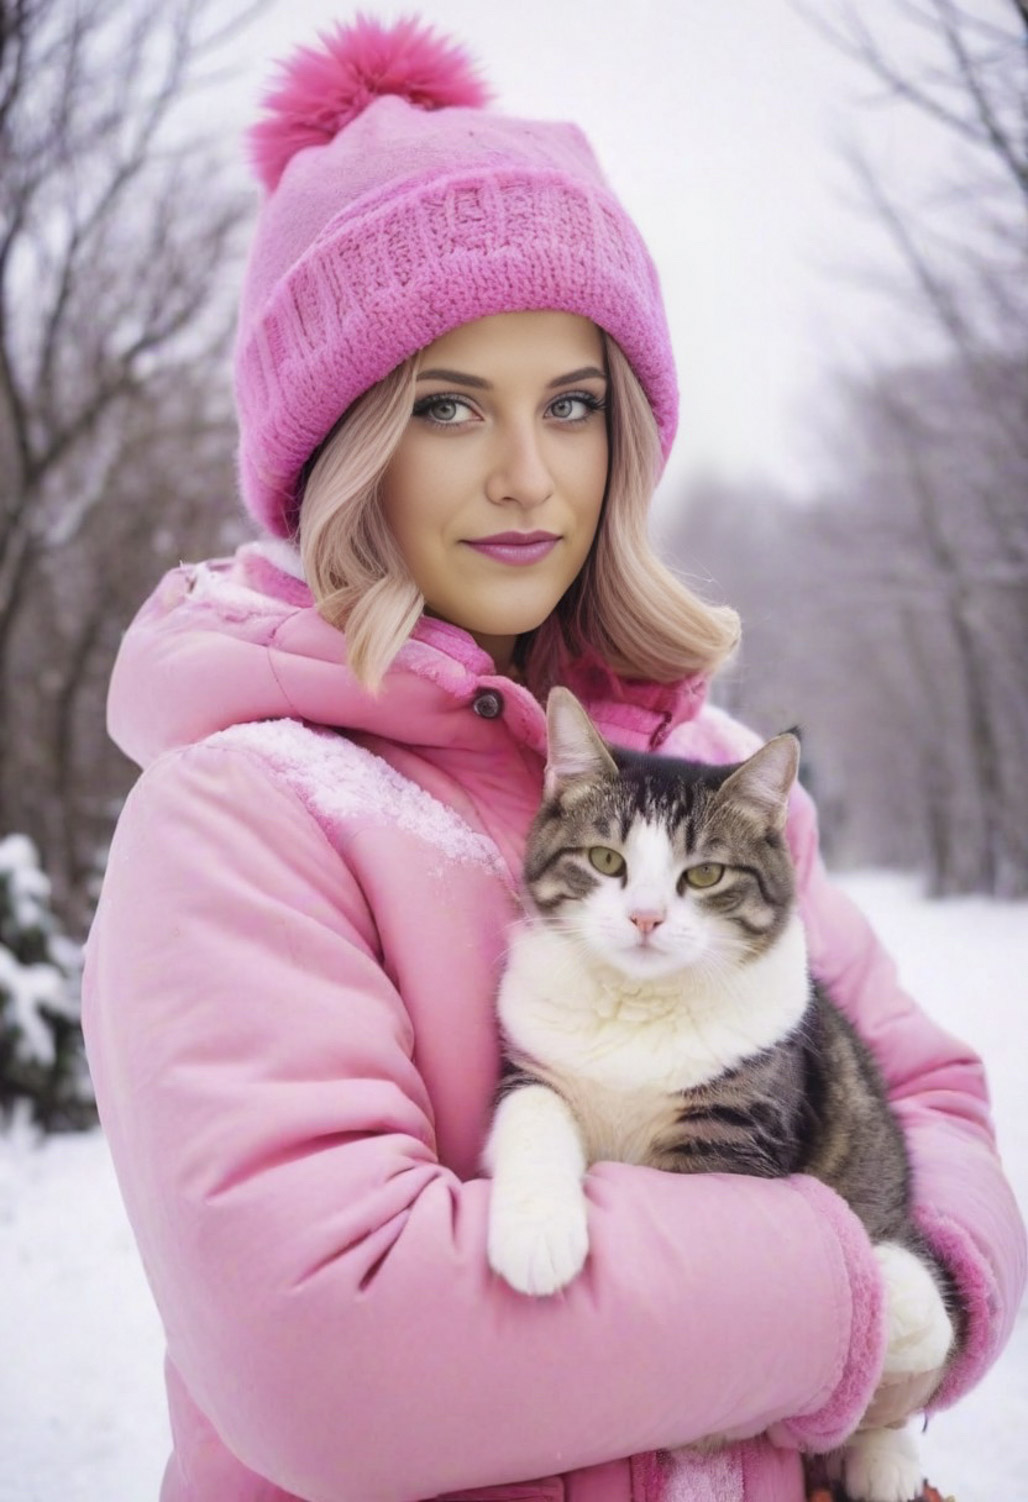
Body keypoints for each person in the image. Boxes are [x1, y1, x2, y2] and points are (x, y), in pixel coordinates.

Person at [81, 15, 1025, 1502]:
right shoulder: (248, 811)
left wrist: (941, 1302)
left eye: (571, 404)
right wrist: (846, 1294)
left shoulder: (705, 769)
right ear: (346, 443)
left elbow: (934, 1100)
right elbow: (339, 1353)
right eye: (448, 405)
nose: (528, 472)